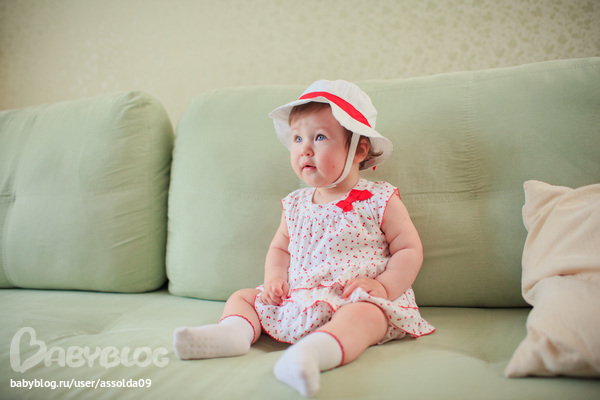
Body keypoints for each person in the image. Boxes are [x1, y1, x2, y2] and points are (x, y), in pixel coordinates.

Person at [173, 79, 435, 397]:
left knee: (367, 316)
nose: (304, 149)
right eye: (297, 138)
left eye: (319, 137)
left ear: (359, 149)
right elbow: (280, 249)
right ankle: (233, 334)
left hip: (354, 297)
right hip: (298, 298)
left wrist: (384, 287)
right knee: (243, 297)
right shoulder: (295, 204)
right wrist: (274, 280)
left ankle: (312, 354)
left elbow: (408, 249)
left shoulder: (378, 199)